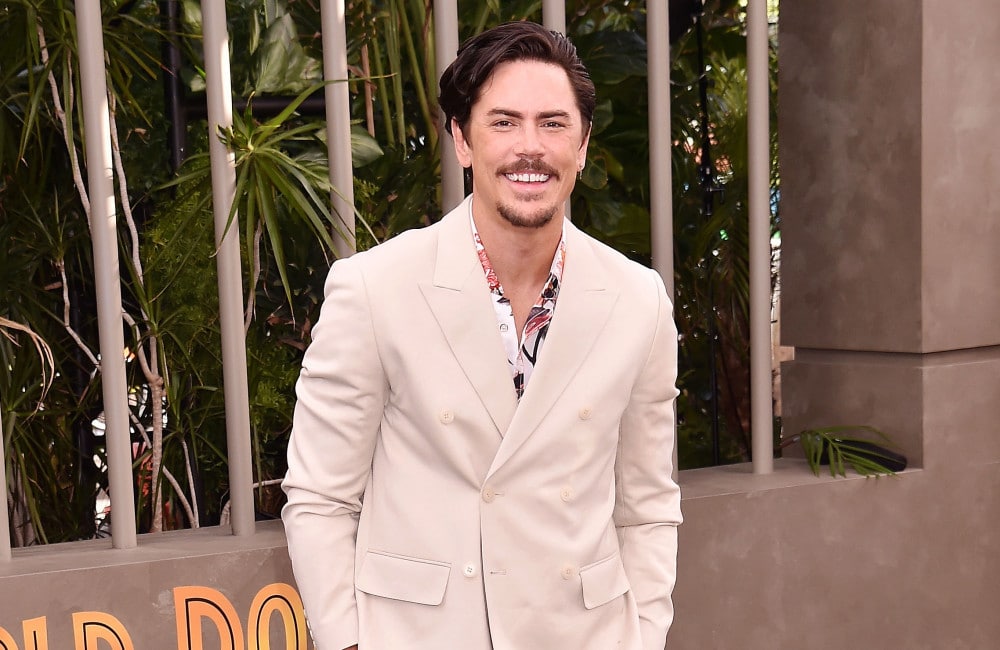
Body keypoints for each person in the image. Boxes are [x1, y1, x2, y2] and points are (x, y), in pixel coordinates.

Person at [281, 20, 681, 650]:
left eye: (553, 123)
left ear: (582, 144)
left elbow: (648, 504)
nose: (530, 147)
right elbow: (320, 497)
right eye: (503, 122)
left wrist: (646, 636)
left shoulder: (637, 301)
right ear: (462, 140)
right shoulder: (375, 288)